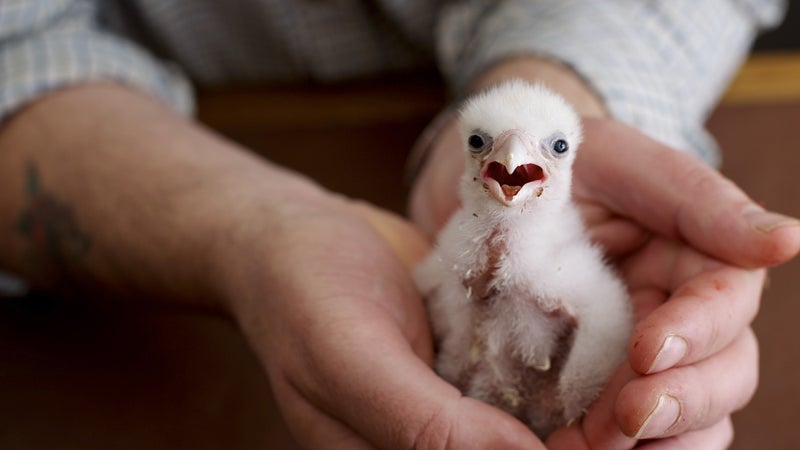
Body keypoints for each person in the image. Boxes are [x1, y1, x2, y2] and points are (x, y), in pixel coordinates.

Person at [0, 1, 797, 449]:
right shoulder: (452, 257)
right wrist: (259, 232)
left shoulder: (570, 271)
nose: (518, 159)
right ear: (469, 153)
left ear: (571, 159)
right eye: (487, 145)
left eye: (552, 148)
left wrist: (570, 83)